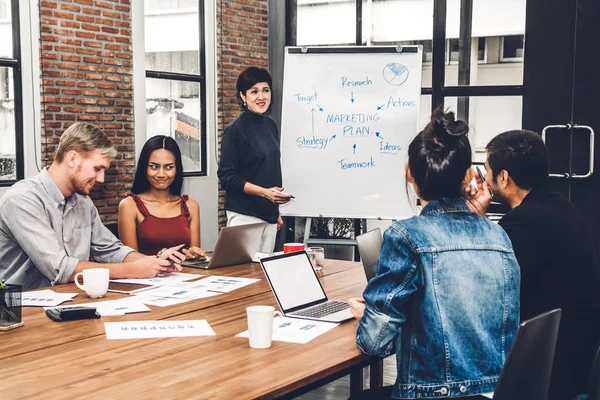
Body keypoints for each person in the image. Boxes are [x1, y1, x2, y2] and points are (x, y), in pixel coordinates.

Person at [347, 109, 521, 399]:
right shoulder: (498, 236)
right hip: (495, 393)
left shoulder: (406, 237)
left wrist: (368, 315)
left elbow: (373, 343)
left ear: (409, 173)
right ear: (468, 176)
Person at [467, 130, 600, 400]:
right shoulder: (560, 207)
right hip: (577, 353)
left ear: (503, 177)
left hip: (549, 367)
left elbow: (480, 285)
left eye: (487, 171)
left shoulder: (524, 223)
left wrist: (475, 219)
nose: (486, 179)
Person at [0, 122, 185, 291]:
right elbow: (61, 268)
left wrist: (154, 263)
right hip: (20, 312)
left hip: (70, 302)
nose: (101, 179)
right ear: (72, 158)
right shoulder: (21, 200)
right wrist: (132, 270)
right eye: (97, 169)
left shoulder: (83, 202)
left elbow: (111, 250)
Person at [217, 66, 290, 253]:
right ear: (243, 96)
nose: (261, 97)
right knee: (245, 275)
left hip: (269, 216)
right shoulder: (235, 130)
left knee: (263, 275)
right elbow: (226, 177)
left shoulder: (270, 125)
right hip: (245, 216)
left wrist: (275, 211)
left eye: (266, 90)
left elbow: (269, 170)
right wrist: (264, 193)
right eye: (254, 91)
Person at [118, 135, 207, 259]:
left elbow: (194, 255)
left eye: (169, 167)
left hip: (184, 275)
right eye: (154, 167)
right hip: (145, 277)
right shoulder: (129, 205)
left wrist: (193, 254)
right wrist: (160, 258)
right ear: (145, 168)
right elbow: (129, 260)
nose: (161, 174)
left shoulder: (190, 206)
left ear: (177, 169)